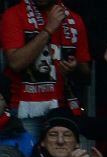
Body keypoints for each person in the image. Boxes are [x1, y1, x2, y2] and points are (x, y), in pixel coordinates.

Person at [0, 0, 89, 142]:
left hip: (62, 109)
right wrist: (48, 29)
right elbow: (16, 63)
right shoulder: (14, 15)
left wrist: (75, 66)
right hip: (23, 110)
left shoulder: (75, 20)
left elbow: (86, 74)